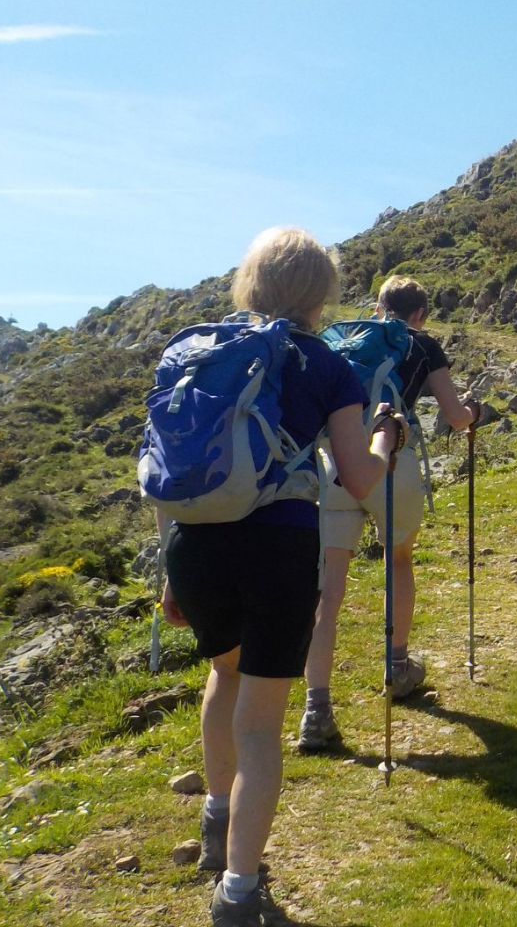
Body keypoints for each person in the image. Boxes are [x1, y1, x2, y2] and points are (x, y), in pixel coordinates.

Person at [159, 227, 404, 927]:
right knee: (262, 727)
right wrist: (386, 437)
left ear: (251, 283)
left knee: (224, 675)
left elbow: (165, 466)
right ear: (321, 293)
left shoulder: (195, 352)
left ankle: (216, 820)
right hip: (278, 547)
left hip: (195, 546)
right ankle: (238, 892)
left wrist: (171, 569)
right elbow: (359, 477)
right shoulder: (326, 365)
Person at [298, 275, 478, 752]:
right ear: (420, 315)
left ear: (378, 308)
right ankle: (397, 668)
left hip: (335, 465)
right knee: (398, 558)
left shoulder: (344, 342)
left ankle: (316, 709)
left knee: (328, 590)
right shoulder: (422, 344)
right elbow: (455, 416)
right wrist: (473, 415)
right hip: (391, 460)